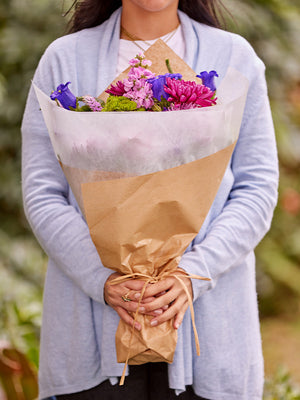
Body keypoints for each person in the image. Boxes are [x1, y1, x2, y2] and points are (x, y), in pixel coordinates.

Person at [21, 0, 279, 399]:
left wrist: (194, 274)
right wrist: (101, 279)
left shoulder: (234, 56)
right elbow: (43, 191)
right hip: (94, 334)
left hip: (204, 332)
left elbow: (257, 186)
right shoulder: (65, 59)